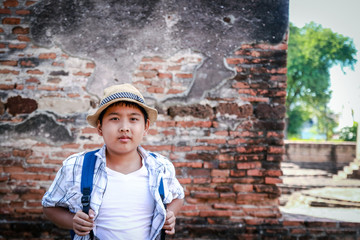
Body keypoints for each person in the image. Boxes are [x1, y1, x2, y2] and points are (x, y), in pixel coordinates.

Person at [42, 83, 185, 240]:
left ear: (146, 126)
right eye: (115, 118)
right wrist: (72, 222)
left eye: (133, 119)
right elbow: (50, 207)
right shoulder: (76, 166)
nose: (124, 127)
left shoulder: (161, 167)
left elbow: (178, 195)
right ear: (100, 127)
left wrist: (170, 213)